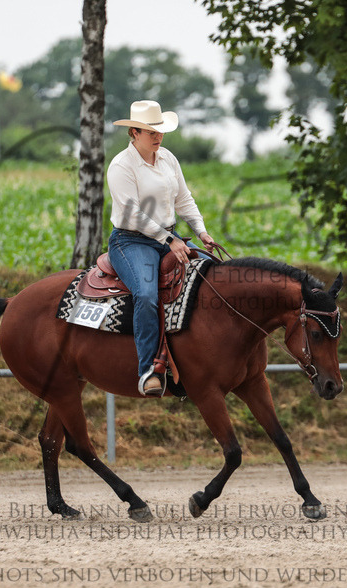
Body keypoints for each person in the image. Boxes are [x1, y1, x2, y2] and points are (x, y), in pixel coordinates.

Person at [107, 99, 216, 397]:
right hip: (131, 241)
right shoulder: (121, 166)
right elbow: (132, 214)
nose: (157, 136)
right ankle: (149, 370)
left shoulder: (167, 158)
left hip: (170, 236)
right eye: (149, 131)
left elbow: (183, 199)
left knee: (213, 275)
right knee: (145, 295)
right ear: (133, 132)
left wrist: (201, 231)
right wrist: (170, 240)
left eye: (159, 130)